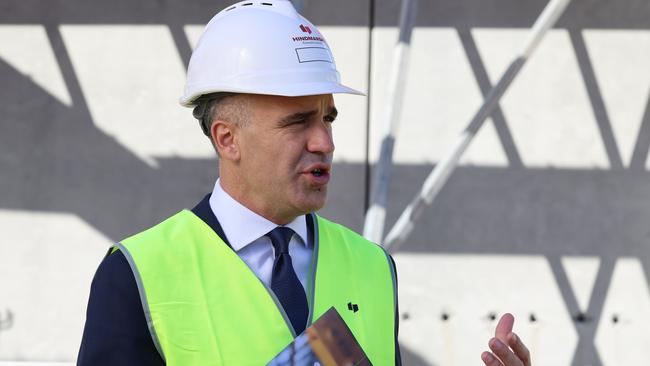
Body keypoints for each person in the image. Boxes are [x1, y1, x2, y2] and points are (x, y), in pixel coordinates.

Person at [77, 1, 531, 365]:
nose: (325, 142)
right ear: (227, 138)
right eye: (297, 122)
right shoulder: (138, 273)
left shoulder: (373, 266)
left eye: (328, 118)